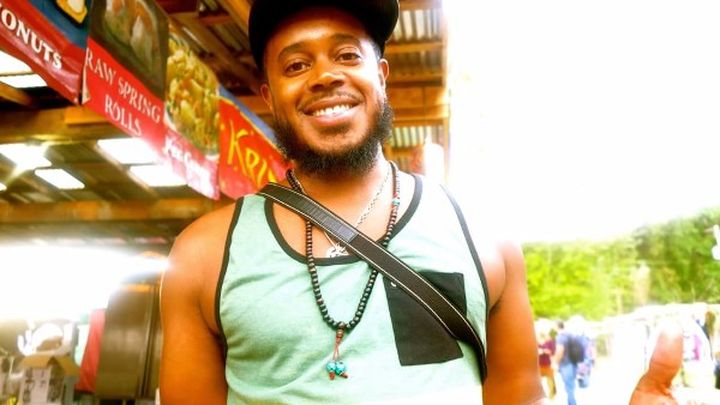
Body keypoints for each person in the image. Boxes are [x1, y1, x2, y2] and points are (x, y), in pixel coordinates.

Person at [159, 0, 686, 404]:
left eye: (347, 55)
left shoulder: (484, 238)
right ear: (269, 96)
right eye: (296, 65)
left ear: (381, 77)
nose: (325, 75)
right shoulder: (203, 256)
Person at [538, 331, 557, 398]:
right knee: (538, 382)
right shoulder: (537, 342)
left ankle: (551, 395)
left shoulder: (550, 342)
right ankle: (541, 396)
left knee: (550, 381)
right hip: (539, 365)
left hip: (548, 364)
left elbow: (551, 352)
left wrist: (543, 351)